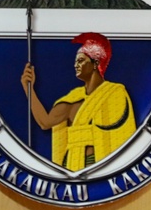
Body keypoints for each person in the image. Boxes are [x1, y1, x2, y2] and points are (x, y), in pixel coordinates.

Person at [20, 32, 135, 170]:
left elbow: (120, 136)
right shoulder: (73, 98)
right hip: (71, 164)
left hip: (99, 164)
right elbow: (45, 122)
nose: (75, 65)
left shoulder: (114, 93)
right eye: (75, 61)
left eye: (80, 60)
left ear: (95, 63)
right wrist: (29, 89)